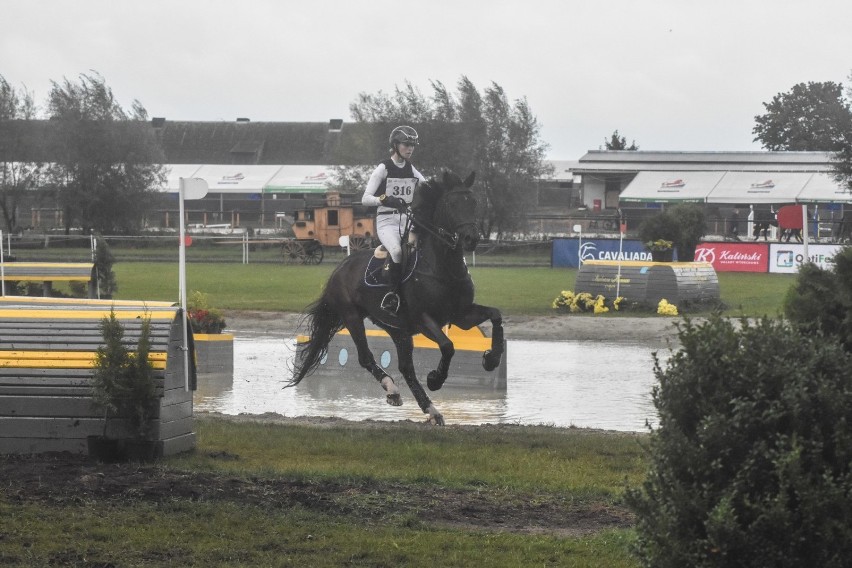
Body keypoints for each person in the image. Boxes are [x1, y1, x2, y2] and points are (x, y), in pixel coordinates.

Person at [361, 126, 427, 314]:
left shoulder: (411, 169)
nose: (410, 148)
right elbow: (365, 199)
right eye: (407, 144)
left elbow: (427, 187)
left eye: (413, 145)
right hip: (386, 222)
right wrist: (383, 199)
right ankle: (393, 295)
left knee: (423, 248)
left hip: (407, 220)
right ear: (395, 145)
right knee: (397, 251)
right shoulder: (383, 168)